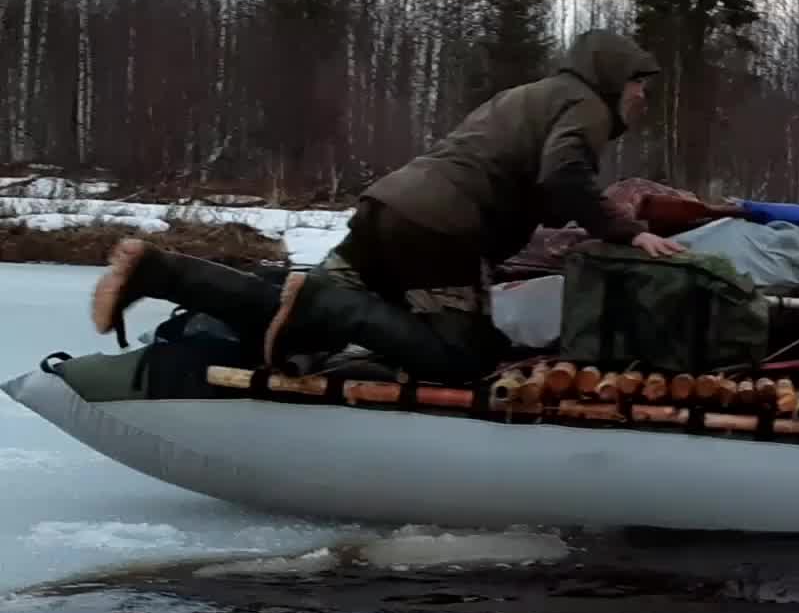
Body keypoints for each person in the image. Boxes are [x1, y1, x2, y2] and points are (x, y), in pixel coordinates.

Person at [90, 28, 688, 384]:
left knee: (296, 305)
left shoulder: (533, 95)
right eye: (639, 83)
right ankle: (330, 306)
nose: (642, 97)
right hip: (438, 230)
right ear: (610, 77)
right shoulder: (585, 105)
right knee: (461, 359)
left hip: (390, 209)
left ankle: (160, 271)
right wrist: (626, 231)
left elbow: (532, 178)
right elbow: (565, 174)